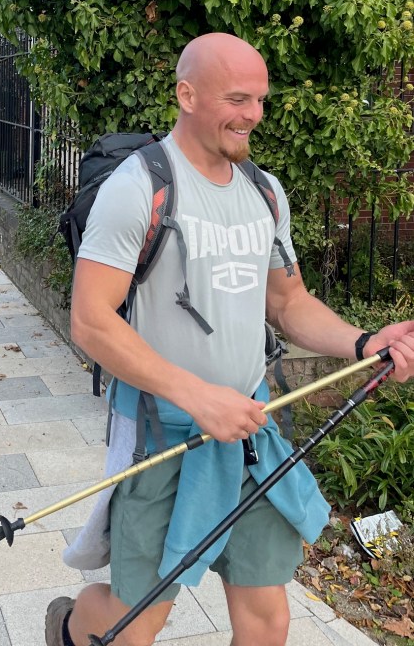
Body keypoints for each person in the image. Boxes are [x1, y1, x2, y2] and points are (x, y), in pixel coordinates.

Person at [45, 32, 414, 646]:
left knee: (267, 617)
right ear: (186, 95)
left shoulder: (264, 193)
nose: (254, 116)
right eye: (238, 99)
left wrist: (364, 340)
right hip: (164, 433)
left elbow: (287, 301)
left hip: (249, 429)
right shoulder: (138, 188)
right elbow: (91, 319)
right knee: (137, 623)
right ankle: (70, 624)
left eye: (261, 100)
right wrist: (197, 397)